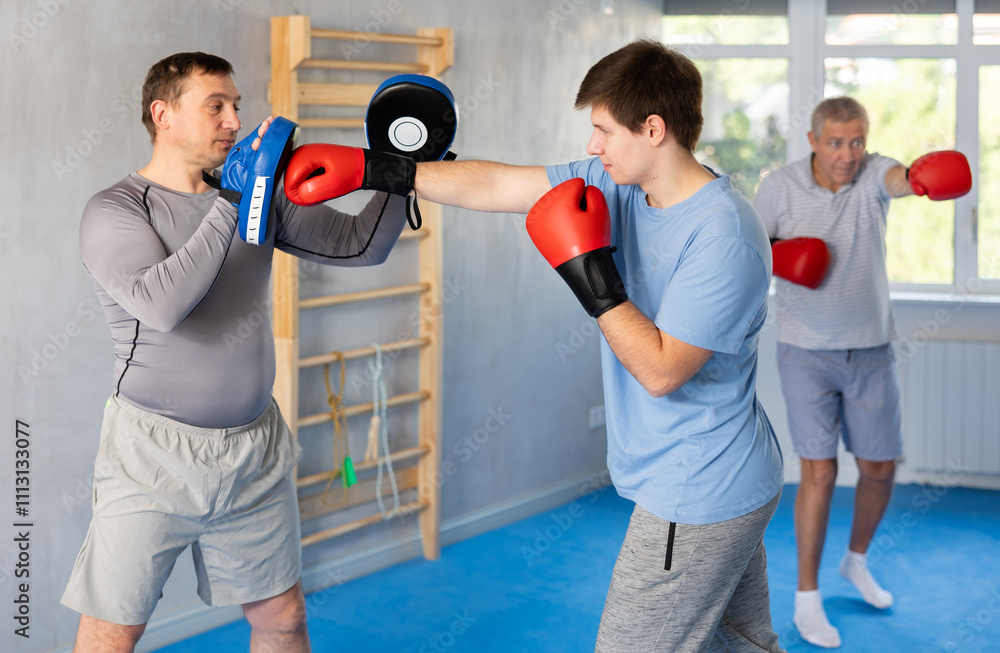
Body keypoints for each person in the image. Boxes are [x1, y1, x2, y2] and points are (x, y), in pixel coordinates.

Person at [285, 39, 786, 652]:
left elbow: (661, 371)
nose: (592, 146)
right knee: (739, 645)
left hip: (700, 489)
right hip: (721, 478)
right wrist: (374, 169)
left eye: (602, 130)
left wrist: (589, 272)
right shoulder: (616, 183)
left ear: (653, 129)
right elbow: (496, 185)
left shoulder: (723, 236)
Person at [61, 51, 412, 653]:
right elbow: (164, 305)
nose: (233, 121)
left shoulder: (259, 198)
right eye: (215, 106)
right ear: (162, 115)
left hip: (254, 450)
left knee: (284, 619)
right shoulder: (117, 209)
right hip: (152, 454)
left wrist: (396, 169)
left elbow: (360, 247)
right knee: (112, 633)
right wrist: (232, 202)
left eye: (236, 107)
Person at [753, 96, 972, 648]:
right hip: (805, 351)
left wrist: (920, 180)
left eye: (857, 142)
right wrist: (782, 254)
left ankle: (855, 560)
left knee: (878, 469)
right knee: (820, 473)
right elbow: (750, 250)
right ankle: (806, 597)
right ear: (813, 140)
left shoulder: (875, 172)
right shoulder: (778, 188)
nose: (847, 154)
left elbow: (899, 179)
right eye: (835, 142)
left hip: (871, 349)